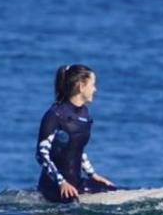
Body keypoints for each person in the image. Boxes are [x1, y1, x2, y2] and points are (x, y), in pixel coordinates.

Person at [36, 64, 115, 202]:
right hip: (54, 187)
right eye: (93, 84)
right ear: (81, 86)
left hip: (75, 183)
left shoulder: (84, 113)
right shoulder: (55, 115)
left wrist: (93, 175)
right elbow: (41, 154)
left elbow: (77, 148)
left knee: (111, 190)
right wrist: (61, 182)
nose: (95, 89)